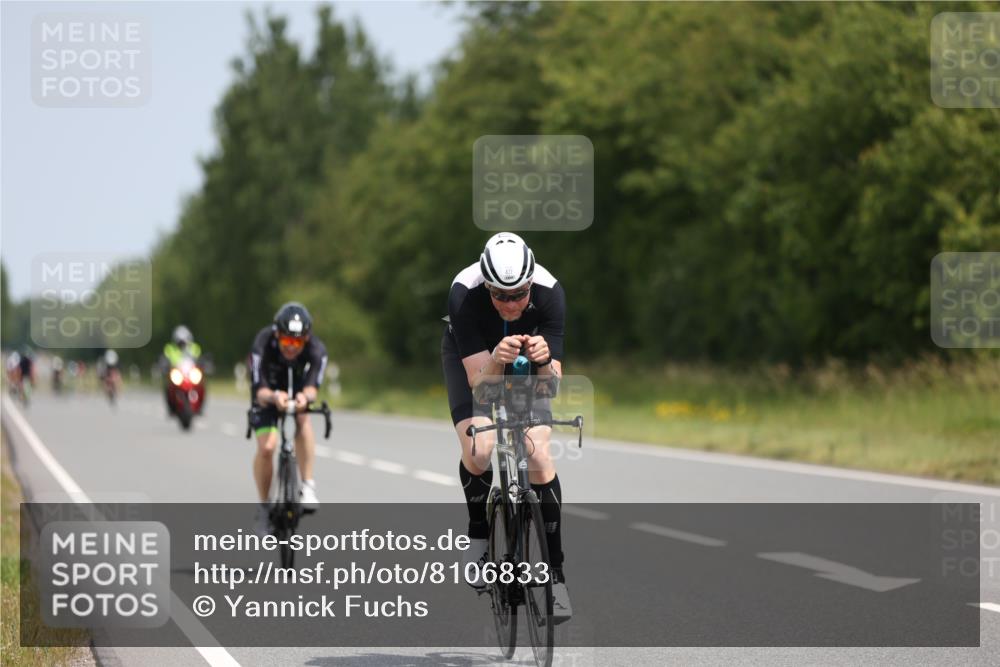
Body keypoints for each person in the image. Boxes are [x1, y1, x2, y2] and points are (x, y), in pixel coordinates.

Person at [441, 232, 571, 621]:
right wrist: (497, 359)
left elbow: (552, 385)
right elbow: (479, 384)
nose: (511, 304)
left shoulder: (550, 294)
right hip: (477, 361)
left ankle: (556, 576)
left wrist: (546, 362)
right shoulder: (464, 293)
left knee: (540, 457)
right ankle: (479, 535)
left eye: (519, 295)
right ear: (487, 285)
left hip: (528, 367)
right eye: (500, 295)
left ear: (531, 282)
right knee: (479, 449)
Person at [249, 302, 328, 535]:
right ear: (277, 335)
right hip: (269, 393)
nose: (292, 348)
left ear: (306, 339)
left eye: (297, 342)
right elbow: (258, 389)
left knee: (303, 419)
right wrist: (274, 397)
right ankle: (264, 508)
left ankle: (307, 485)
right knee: (267, 448)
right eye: (286, 341)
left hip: (297, 391)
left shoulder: (316, 349)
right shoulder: (262, 344)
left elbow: (314, 386)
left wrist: (305, 397)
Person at [162, 325, 202, 412]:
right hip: (177, 374)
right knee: (168, 387)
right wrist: (164, 365)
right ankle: (171, 406)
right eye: (180, 342)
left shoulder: (194, 348)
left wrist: (205, 364)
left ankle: (200, 405)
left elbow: (199, 359)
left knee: (202, 385)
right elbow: (165, 359)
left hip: (190, 374)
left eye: (184, 341)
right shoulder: (170, 349)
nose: (182, 344)